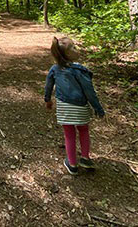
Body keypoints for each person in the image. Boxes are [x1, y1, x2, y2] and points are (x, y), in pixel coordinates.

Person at [44, 36, 105, 175]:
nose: (77, 49)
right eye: (74, 47)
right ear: (67, 54)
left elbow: (48, 86)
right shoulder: (80, 71)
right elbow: (89, 91)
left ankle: (72, 164)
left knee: (69, 135)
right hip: (80, 106)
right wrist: (97, 108)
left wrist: (47, 100)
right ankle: (85, 157)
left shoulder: (54, 69)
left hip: (64, 108)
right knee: (84, 130)